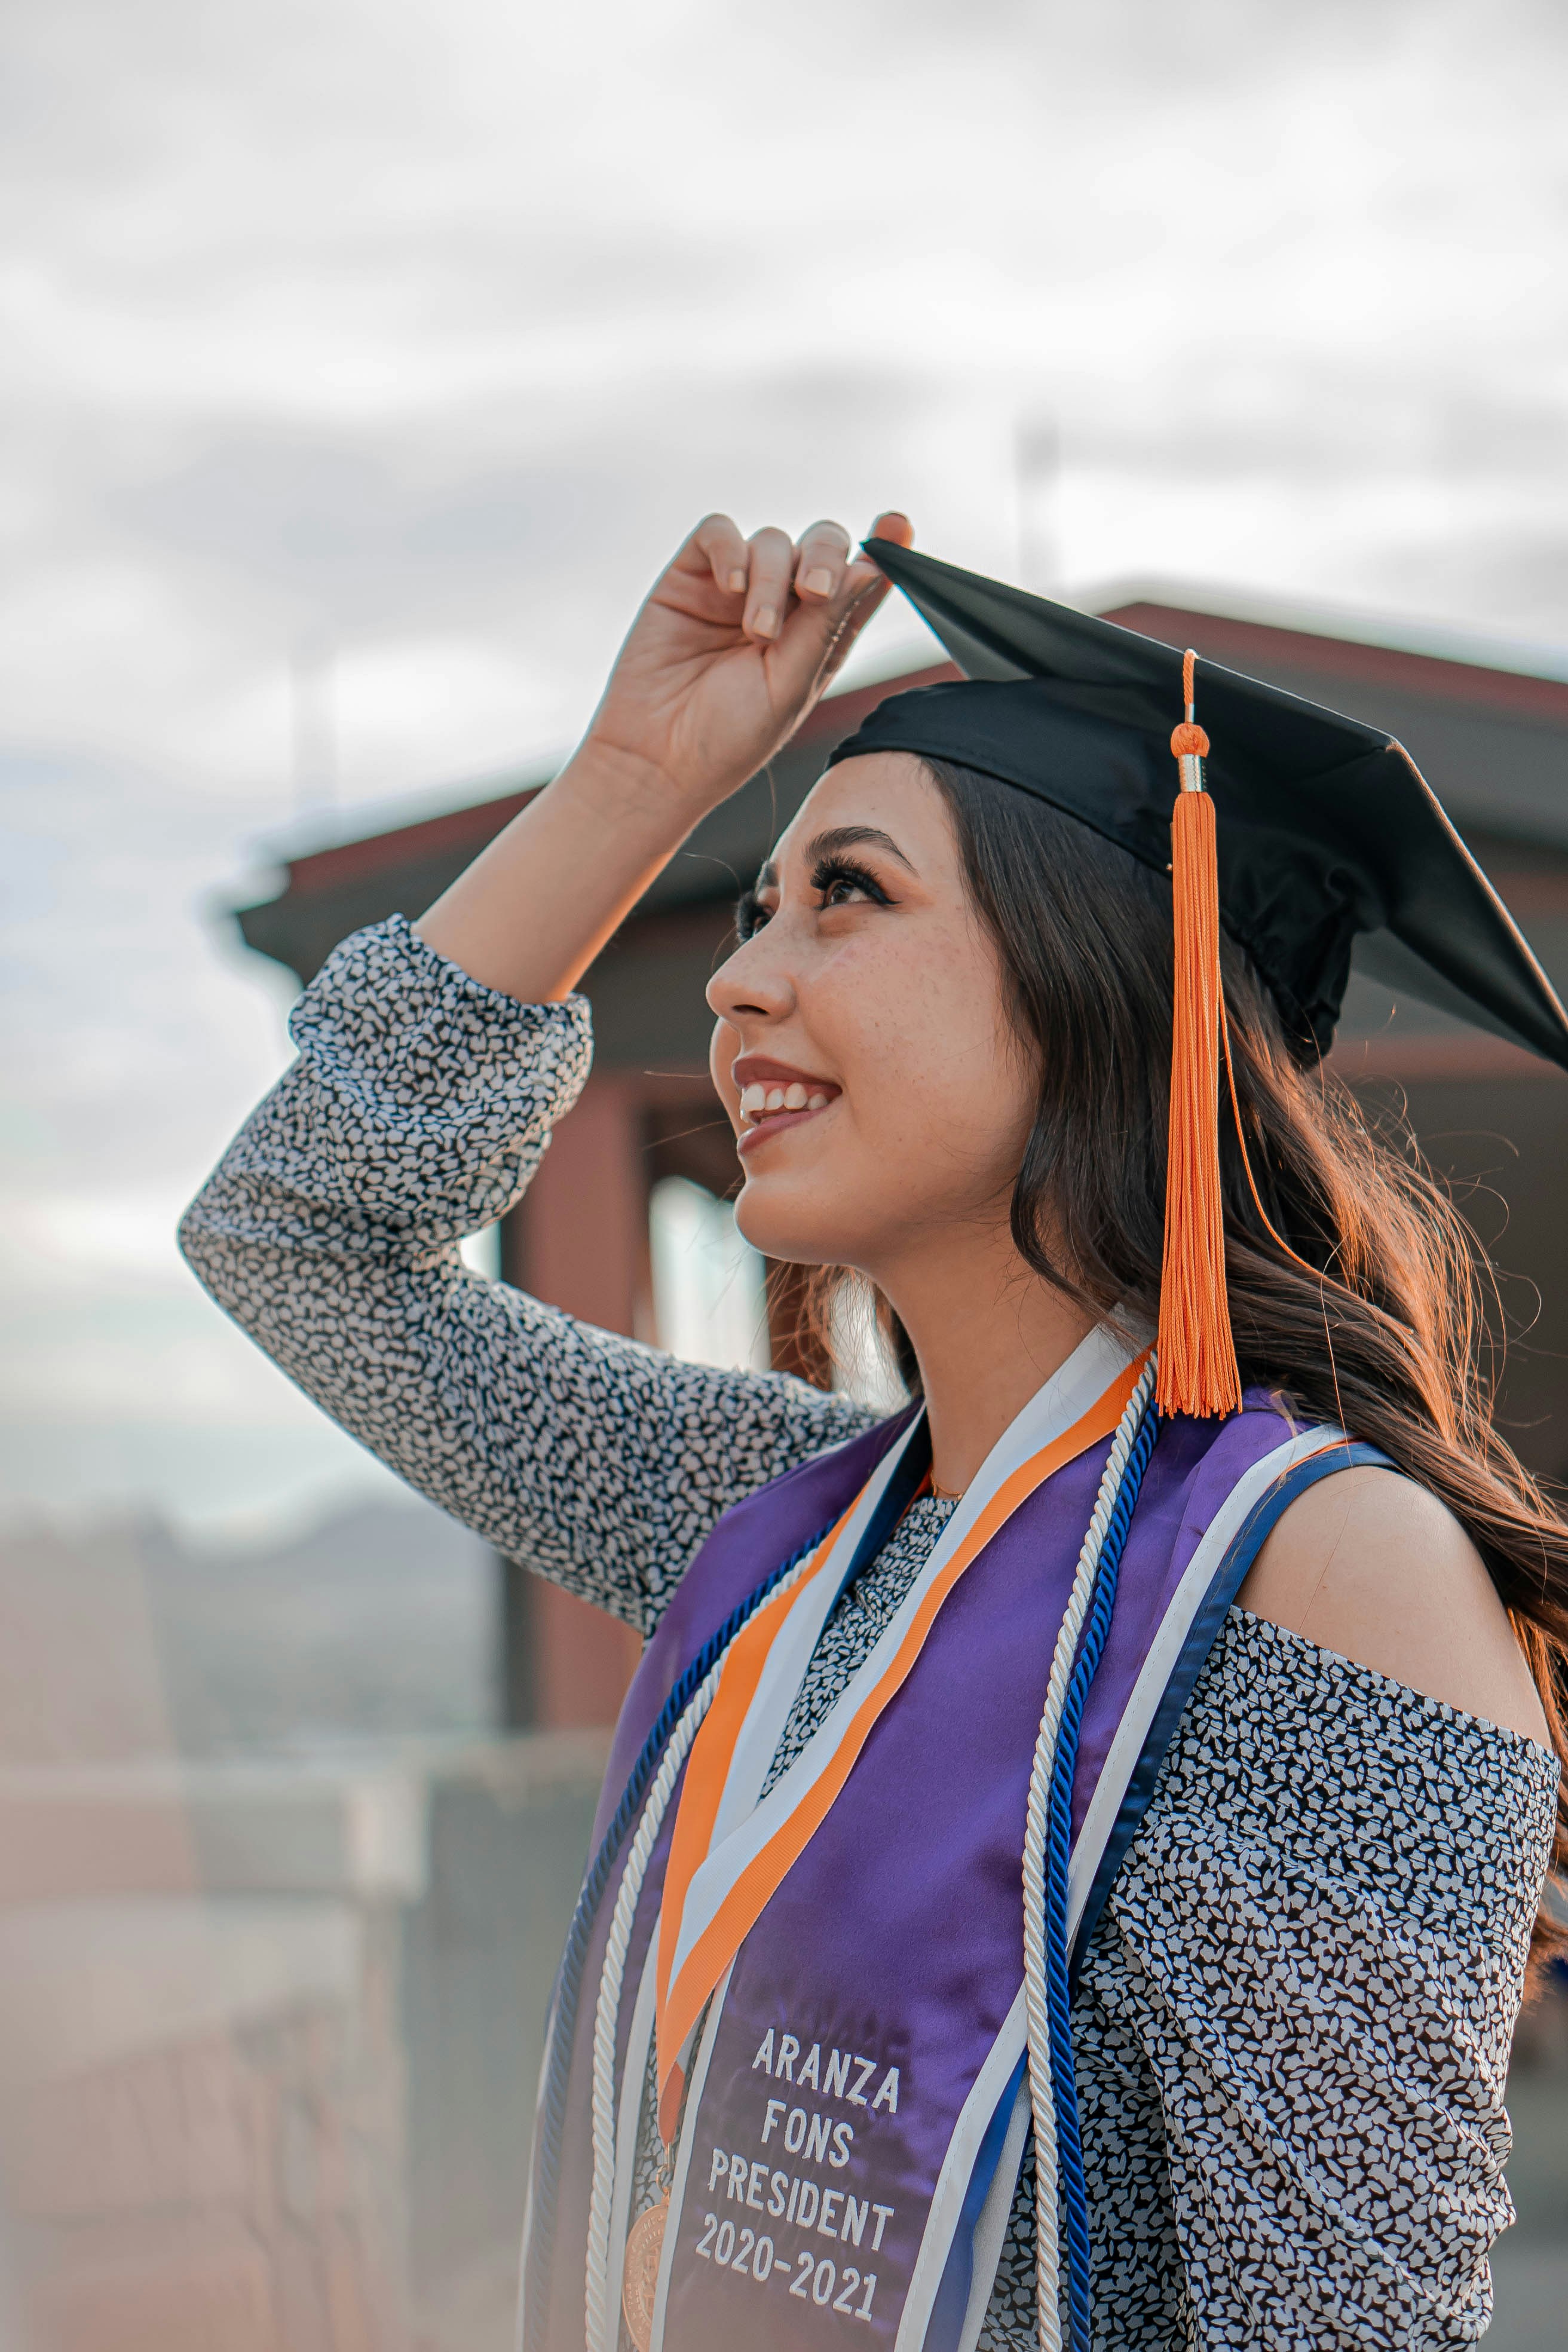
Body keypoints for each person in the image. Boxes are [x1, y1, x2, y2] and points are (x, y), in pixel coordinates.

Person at [181, 512, 1566, 2352]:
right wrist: (635, 779)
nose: (747, 978)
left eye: (849, 896)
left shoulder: (1313, 1577)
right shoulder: (776, 1528)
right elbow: (297, 1234)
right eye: (754, 909)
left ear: (1103, 989)